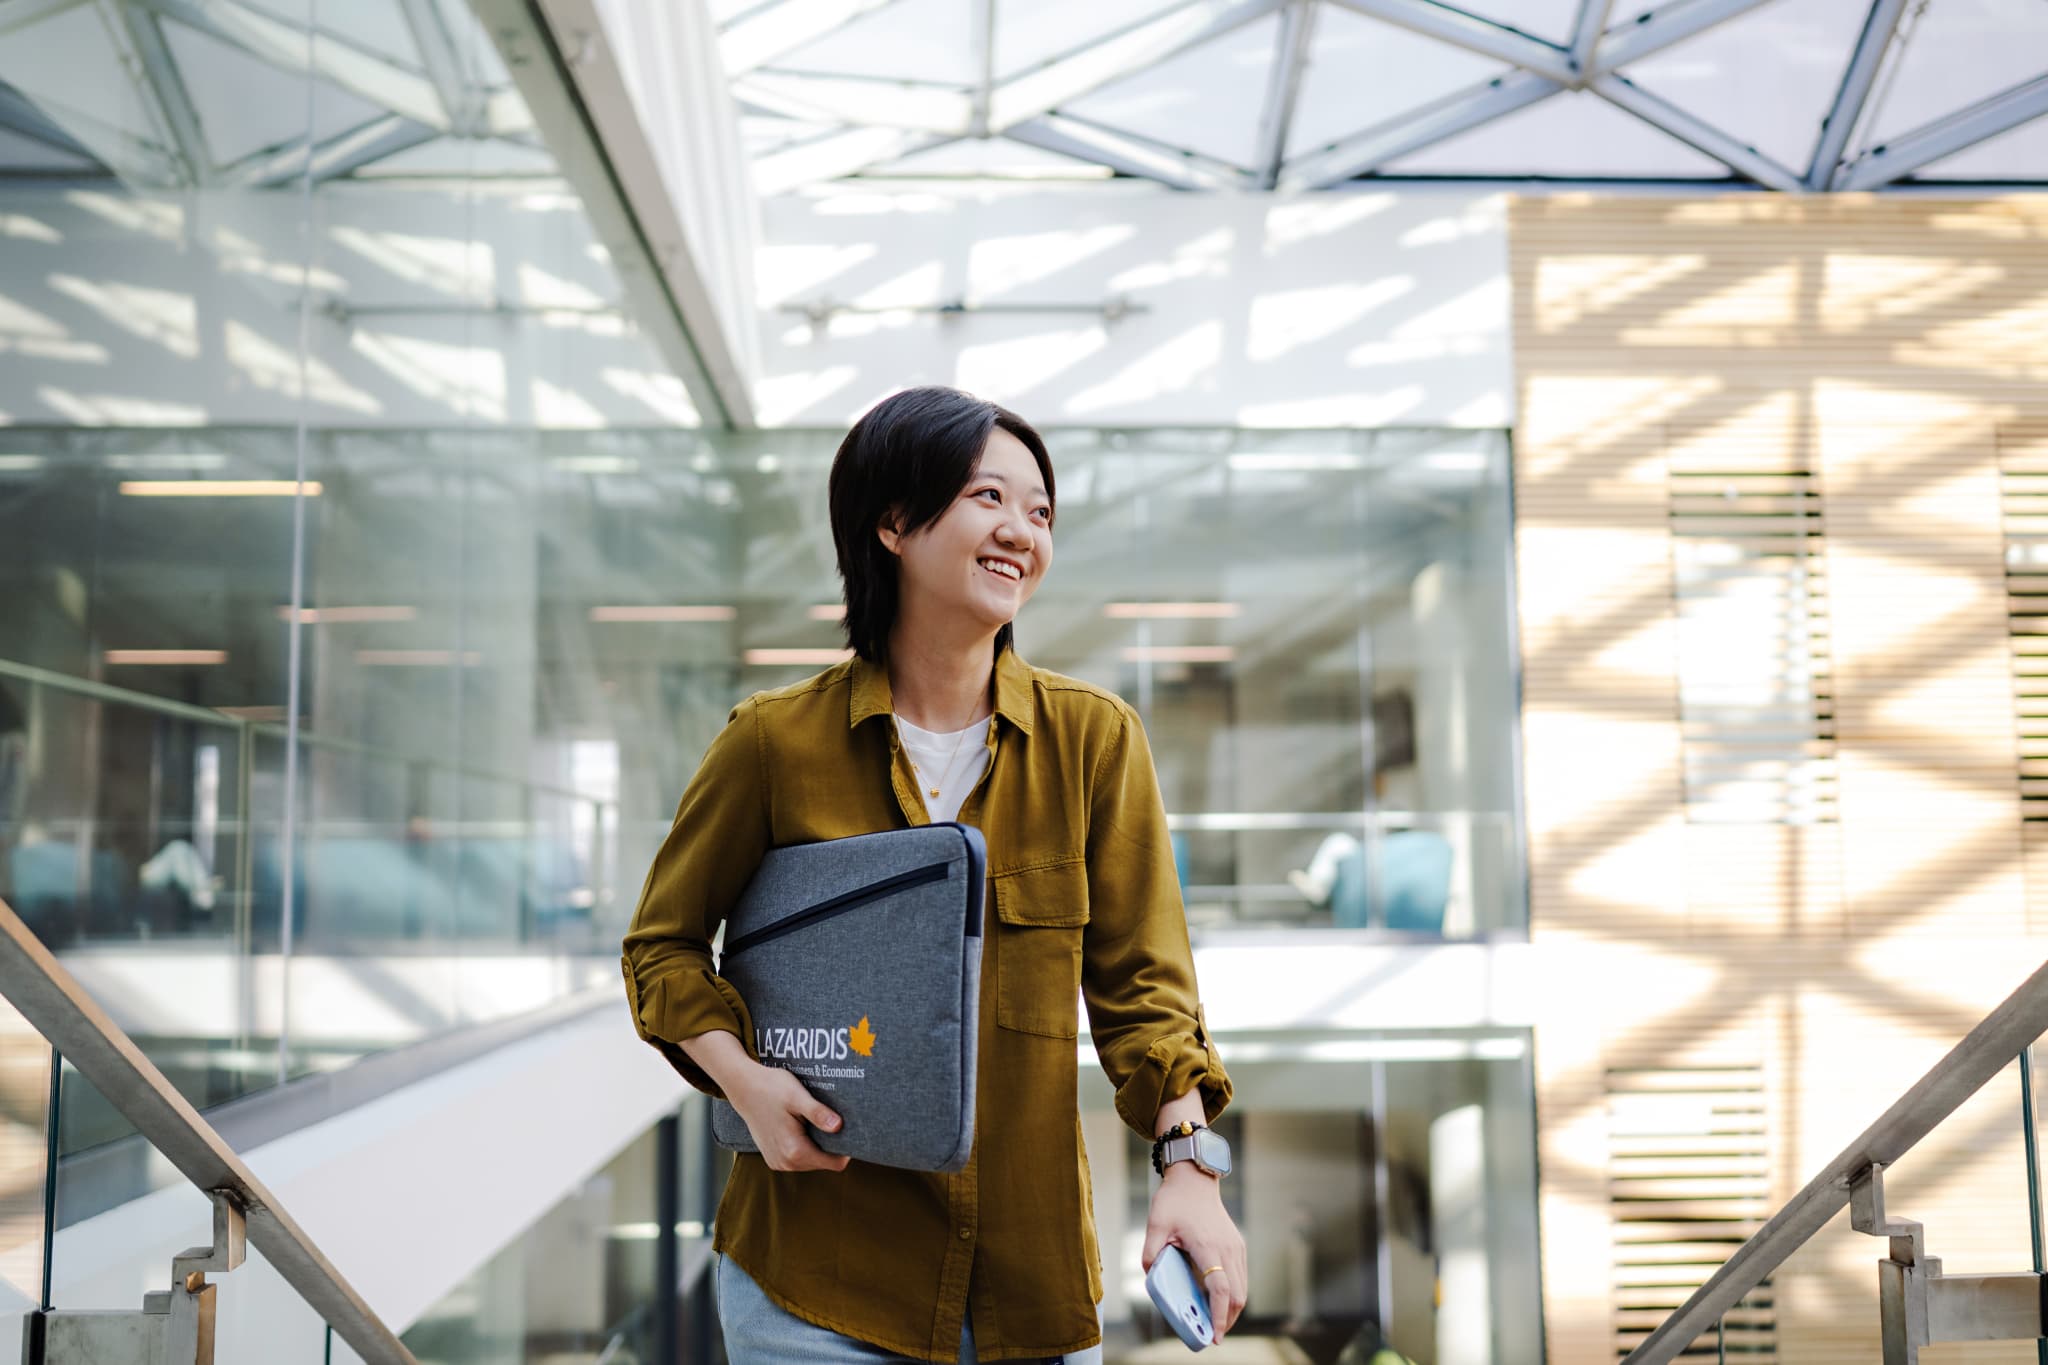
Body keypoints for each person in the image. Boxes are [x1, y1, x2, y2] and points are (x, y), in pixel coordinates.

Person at [621, 387, 1246, 1364]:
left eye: (1039, 512)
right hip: (813, 1289)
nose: (1020, 531)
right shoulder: (771, 743)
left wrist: (1188, 1168)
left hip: (1026, 1297)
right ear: (894, 523)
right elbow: (659, 948)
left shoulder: (1093, 742)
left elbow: (1145, 992)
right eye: (987, 498)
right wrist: (743, 1085)